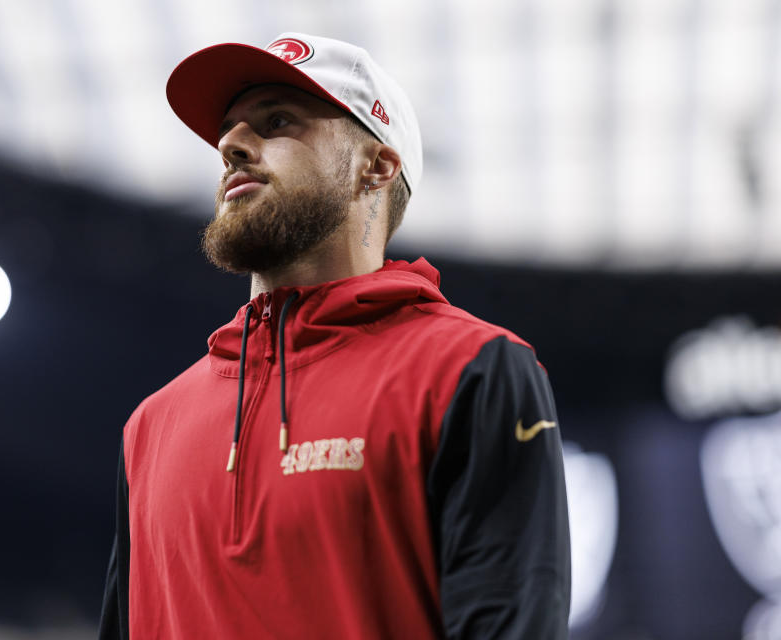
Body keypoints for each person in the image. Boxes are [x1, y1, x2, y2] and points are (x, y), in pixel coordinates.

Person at [99, 32, 570, 639]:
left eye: (276, 120)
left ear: (376, 166)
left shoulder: (470, 369)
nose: (231, 145)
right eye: (229, 132)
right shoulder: (150, 427)